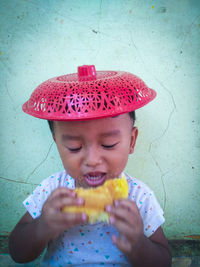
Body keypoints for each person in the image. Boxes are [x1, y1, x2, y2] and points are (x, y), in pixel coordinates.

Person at [9, 65, 172, 266]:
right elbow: (17, 252)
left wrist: (138, 243)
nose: (92, 160)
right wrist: (42, 227)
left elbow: (164, 261)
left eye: (108, 144)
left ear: (131, 141)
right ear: (57, 143)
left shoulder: (139, 197)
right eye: (74, 147)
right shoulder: (52, 191)